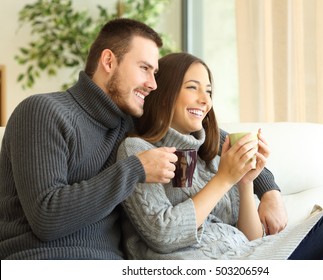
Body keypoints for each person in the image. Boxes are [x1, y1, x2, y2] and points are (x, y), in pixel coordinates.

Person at [0, 19, 284, 260]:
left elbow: (213, 138)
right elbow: (48, 218)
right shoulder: (42, 111)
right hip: (42, 262)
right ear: (109, 61)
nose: (153, 84)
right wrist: (135, 169)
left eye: (156, 73)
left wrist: (269, 190)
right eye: (145, 69)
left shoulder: (128, 120)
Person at [117, 52, 323, 260]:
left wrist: (247, 182)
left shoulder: (213, 149)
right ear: (164, 94)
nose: (205, 100)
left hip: (255, 256)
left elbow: (248, 237)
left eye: (209, 91)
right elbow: (163, 234)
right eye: (193, 87)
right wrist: (224, 179)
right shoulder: (139, 150)